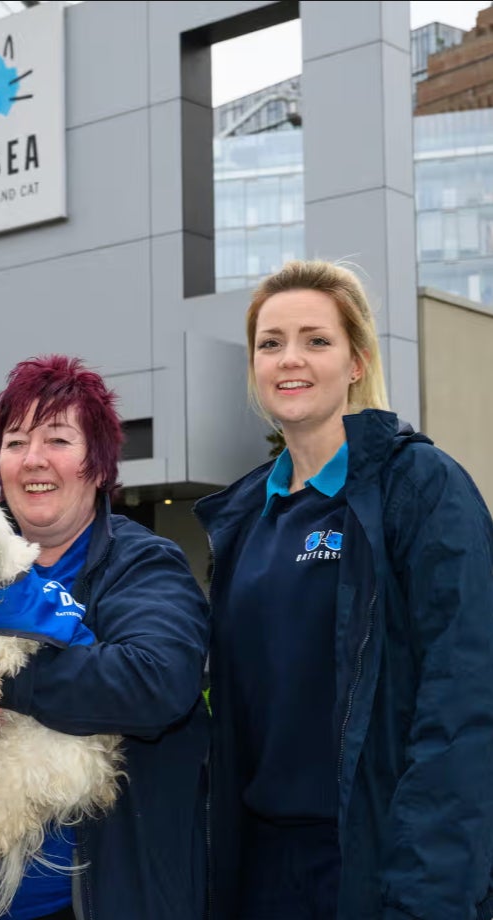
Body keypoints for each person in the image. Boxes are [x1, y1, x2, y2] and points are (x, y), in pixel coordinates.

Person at [196, 259, 493, 919]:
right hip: (260, 873)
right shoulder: (243, 516)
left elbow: (465, 703)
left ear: (356, 362)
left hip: (377, 865)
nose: (288, 359)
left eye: (315, 340)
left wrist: (426, 894)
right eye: (269, 343)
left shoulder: (419, 487)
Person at [0, 354, 210, 920]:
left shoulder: (142, 564)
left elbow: (155, 683)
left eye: (58, 439)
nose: (33, 459)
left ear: (99, 467)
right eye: (15, 442)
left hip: (76, 902)